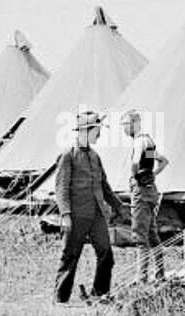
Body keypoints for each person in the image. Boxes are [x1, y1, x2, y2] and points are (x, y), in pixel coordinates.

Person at [53, 110, 127, 305]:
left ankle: (100, 295)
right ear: (86, 130)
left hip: (97, 215)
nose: (100, 134)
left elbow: (104, 186)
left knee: (106, 254)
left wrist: (120, 207)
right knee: (70, 256)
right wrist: (66, 214)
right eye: (97, 130)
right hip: (76, 215)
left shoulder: (95, 156)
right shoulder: (68, 155)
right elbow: (61, 187)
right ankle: (60, 299)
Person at [122, 108, 168, 283]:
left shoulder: (138, 143)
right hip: (151, 190)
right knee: (151, 234)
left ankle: (141, 277)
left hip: (140, 191)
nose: (124, 129)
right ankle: (160, 273)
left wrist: (135, 177)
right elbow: (163, 161)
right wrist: (153, 174)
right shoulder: (148, 141)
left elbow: (135, 165)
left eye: (126, 124)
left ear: (134, 124)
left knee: (140, 236)